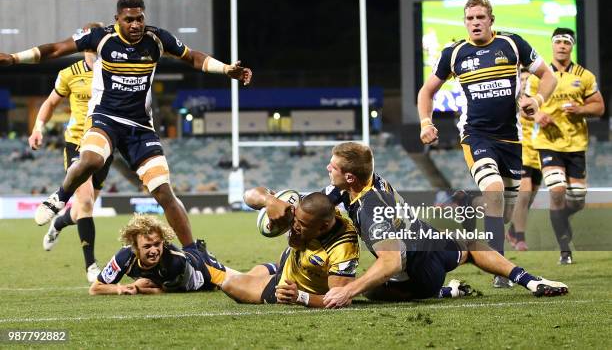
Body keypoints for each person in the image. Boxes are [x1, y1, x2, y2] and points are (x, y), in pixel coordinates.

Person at [0, 0, 252, 251]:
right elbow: (54, 49)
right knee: (92, 159)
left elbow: (193, 57)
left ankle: (195, 254)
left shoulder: (157, 39)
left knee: (164, 192)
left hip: (140, 127)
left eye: (139, 18)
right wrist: (13, 58)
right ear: (117, 19)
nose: (135, 24)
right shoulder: (101, 38)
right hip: (105, 118)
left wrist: (226, 69)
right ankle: (59, 197)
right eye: (129, 19)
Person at [264, 142, 567, 308]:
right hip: (426, 234)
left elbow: (392, 260)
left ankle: (442, 293)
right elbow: (322, 198)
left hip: (418, 269)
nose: (327, 168)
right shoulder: (363, 179)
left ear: (350, 177)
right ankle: (530, 280)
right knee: (471, 248)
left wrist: (350, 291)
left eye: (333, 166)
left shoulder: (370, 210)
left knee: (371, 291)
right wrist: (269, 201)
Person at [416, 0, 558, 287]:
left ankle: (469, 201)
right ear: (465, 22)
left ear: (491, 20)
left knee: (504, 214)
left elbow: (548, 76)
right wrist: (425, 123)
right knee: (493, 189)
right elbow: (426, 92)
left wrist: (537, 99)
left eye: (481, 17)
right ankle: (501, 272)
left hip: (511, 139)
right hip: (475, 135)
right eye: (470, 18)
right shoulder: (454, 54)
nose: (475, 23)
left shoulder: (512, 44)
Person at [28, 22, 110, 282]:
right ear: (85, 44)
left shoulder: (114, 72)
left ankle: (59, 223)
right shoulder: (69, 73)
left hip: (106, 143)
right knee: (84, 201)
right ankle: (91, 267)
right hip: (76, 143)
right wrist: (38, 128)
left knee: (80, 210)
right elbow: (51, 102)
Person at [529, 27, 605, 264]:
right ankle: (565, 249)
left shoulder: (585, 76)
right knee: (557, 191)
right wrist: (537, 114)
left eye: (566, 42)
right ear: (552, 45)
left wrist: (581, 109)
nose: (562, 45)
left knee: (578, 200)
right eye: (558, 41)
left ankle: (559, 218)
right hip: (548, 143)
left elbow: (600, 107)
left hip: (575, 144)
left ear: (572, 46)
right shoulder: (538, 77)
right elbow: (526, 104)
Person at [221, 191, 359, 308]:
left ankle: (270, 271)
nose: (295, 227)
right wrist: (269, 201)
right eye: (296, 219)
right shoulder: (307, 206)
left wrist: (300, 296)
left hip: (289, 287)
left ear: (323, 227)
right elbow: (249, 195)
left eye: (302, 224)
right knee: (254, 272)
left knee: (229, 284)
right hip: (291, 260)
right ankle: (272, 268)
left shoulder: (343, 250)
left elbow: (340, 300)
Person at [89, 214, 229, 295]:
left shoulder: (175, 262)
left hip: (205, 268)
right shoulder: (124, 257)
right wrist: (120, 289)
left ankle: (202, 250)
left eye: (157, 244)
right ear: (135, 247)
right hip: (171, 278)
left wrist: (137, 288)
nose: (154, 250)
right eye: (147, 246)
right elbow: (95, 288)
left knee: (238, 284)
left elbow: (163, 291)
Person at [507, 68, 543, 251]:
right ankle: (520, 238)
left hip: (539, 148)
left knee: (531, 194)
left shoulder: (538, 96)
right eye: (523, 78)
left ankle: (514, 228)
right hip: (520, 146)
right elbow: (523, 112)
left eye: (528, 78)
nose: (525, 81)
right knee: (525, 191)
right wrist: (538, 115)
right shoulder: (515, 96)